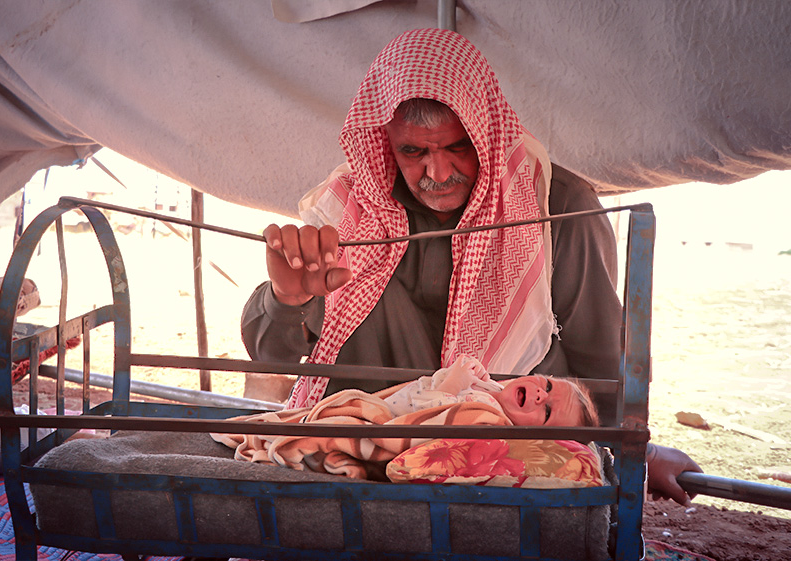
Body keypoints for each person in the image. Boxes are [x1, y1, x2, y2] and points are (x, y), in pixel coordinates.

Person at [241, 28, 701, 505]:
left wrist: (637, 451)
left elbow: (604, 361)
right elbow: (270, 351)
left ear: (485, 131)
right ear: (385, 144)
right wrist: (287, 300)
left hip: (501, 465)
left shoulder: (559, 206)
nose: (437, 174)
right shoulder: (355, 209)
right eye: (413, 152)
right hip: (374, 451)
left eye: (457, 146)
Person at [384, 354, 599, 427]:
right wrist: (479, 376)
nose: (542, 395)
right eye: (549, 386)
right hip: (387, 405)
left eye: (548, 412)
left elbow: (430, 419)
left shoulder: (489, 419)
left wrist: (452, 385)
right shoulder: (496, 391)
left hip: (389, 423)